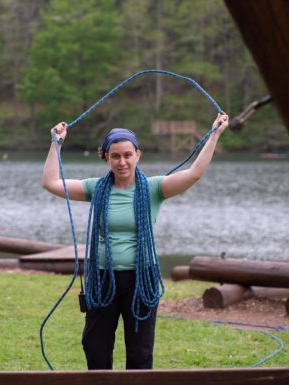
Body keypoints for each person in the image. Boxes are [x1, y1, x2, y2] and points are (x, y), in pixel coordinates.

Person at [42, 112, 229, 370]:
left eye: (127, 155)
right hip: (103, 277)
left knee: (140, 350)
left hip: (142, 277)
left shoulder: (154, 189)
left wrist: (215, 133)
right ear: (106, 157)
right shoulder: (96, 188)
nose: (122, 162)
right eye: (115, 156)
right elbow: (51, 182)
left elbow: (195, 173)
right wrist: (56, 143)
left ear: (137, 155)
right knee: (94, 345)